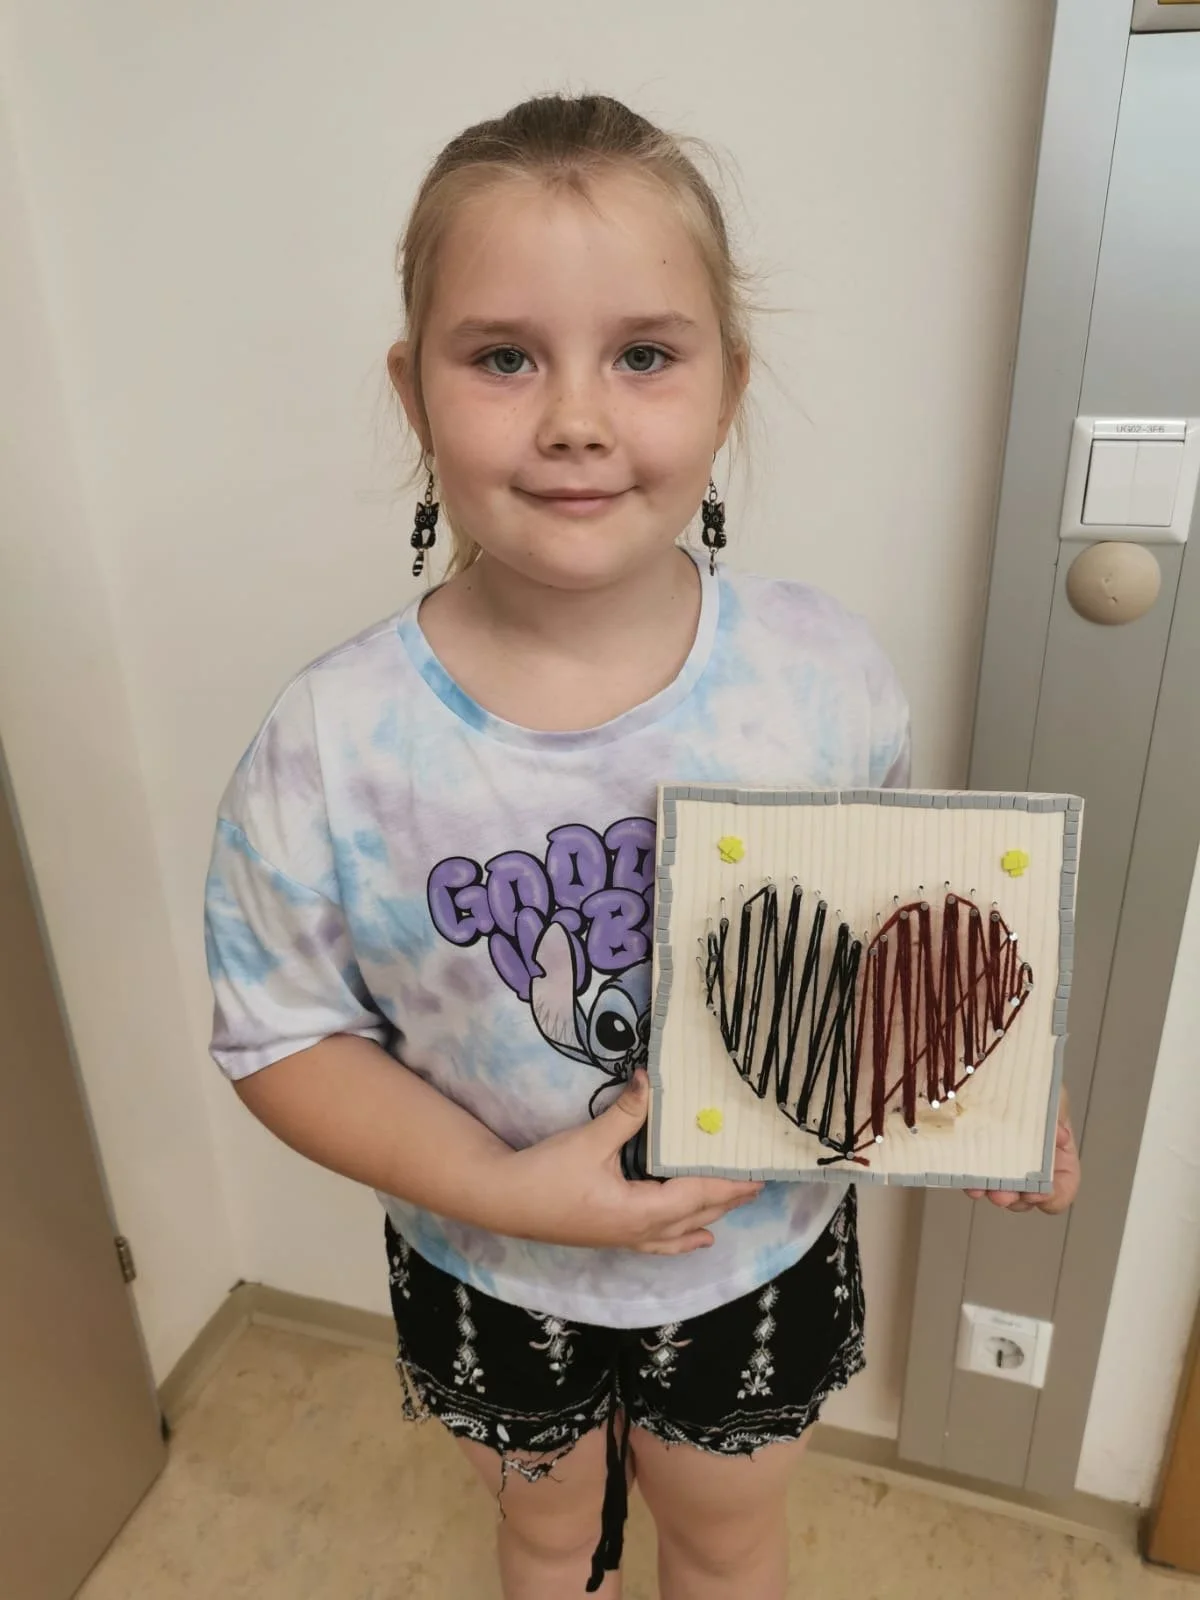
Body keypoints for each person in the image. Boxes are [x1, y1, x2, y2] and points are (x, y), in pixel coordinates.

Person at [204, 93, 1081, 1600]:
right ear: (414, 392)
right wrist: (508, 1191)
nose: (576, 418)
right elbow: (279, 1034)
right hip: (492, 1264)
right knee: (550, 1538)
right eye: (503, 357)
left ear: (730, 382)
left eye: (645, 355)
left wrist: (984, 1083)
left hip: (755, 1254)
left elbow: (886, 942)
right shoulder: (334, 741)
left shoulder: (822, 675)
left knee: (726, 1543)